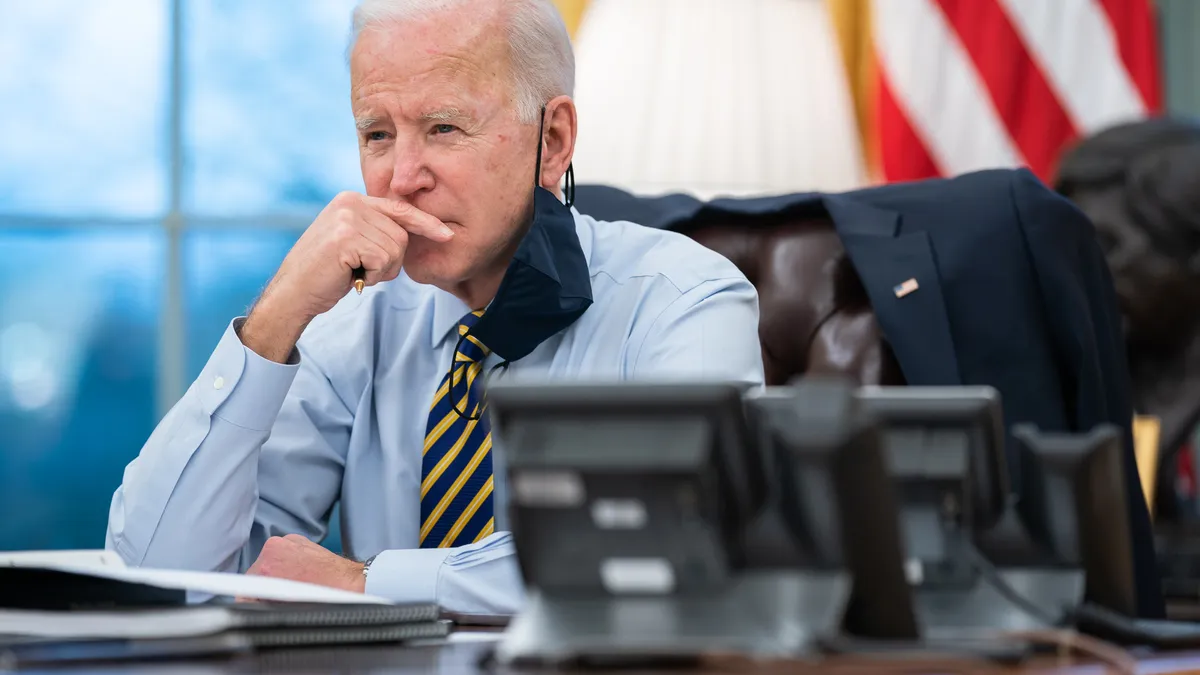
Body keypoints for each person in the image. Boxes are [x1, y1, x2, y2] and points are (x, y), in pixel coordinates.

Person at [105, 0, 762, 616]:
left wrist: (370, 583)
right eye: (378, 134)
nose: (400, 177)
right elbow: (152, 574)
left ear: (554, 139)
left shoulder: (684, 298)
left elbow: (678, 546)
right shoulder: (354, 326)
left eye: (443, 127)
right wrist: (275, 319)